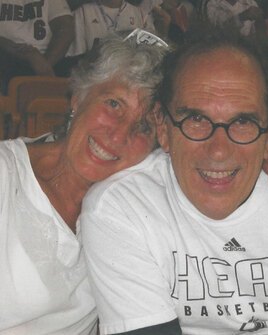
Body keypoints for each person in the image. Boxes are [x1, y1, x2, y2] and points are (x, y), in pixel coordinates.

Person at [81, 28, 268, 335]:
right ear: (163, 127)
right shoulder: (120, 207)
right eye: (195, 120)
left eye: (243, 122)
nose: (218, 150)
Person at [0, 29, 168, 334]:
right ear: (78, 97)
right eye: (114, 104)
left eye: (143, 126)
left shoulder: (138, 202)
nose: (118, 135)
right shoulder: (6, 175)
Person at [0, 0, 74, 93]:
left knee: (87, 67)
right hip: (9, 58)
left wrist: (45, 64)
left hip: (49, 59)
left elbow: (65, 28)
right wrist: (28, 54)